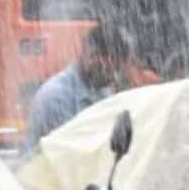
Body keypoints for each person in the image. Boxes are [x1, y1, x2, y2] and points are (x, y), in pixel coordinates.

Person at [23, 23, 135, 156]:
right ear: (94, 57)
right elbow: (70, 155)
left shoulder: (102, 91)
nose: (114, 77)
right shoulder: (56, 97)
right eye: (113, 69)